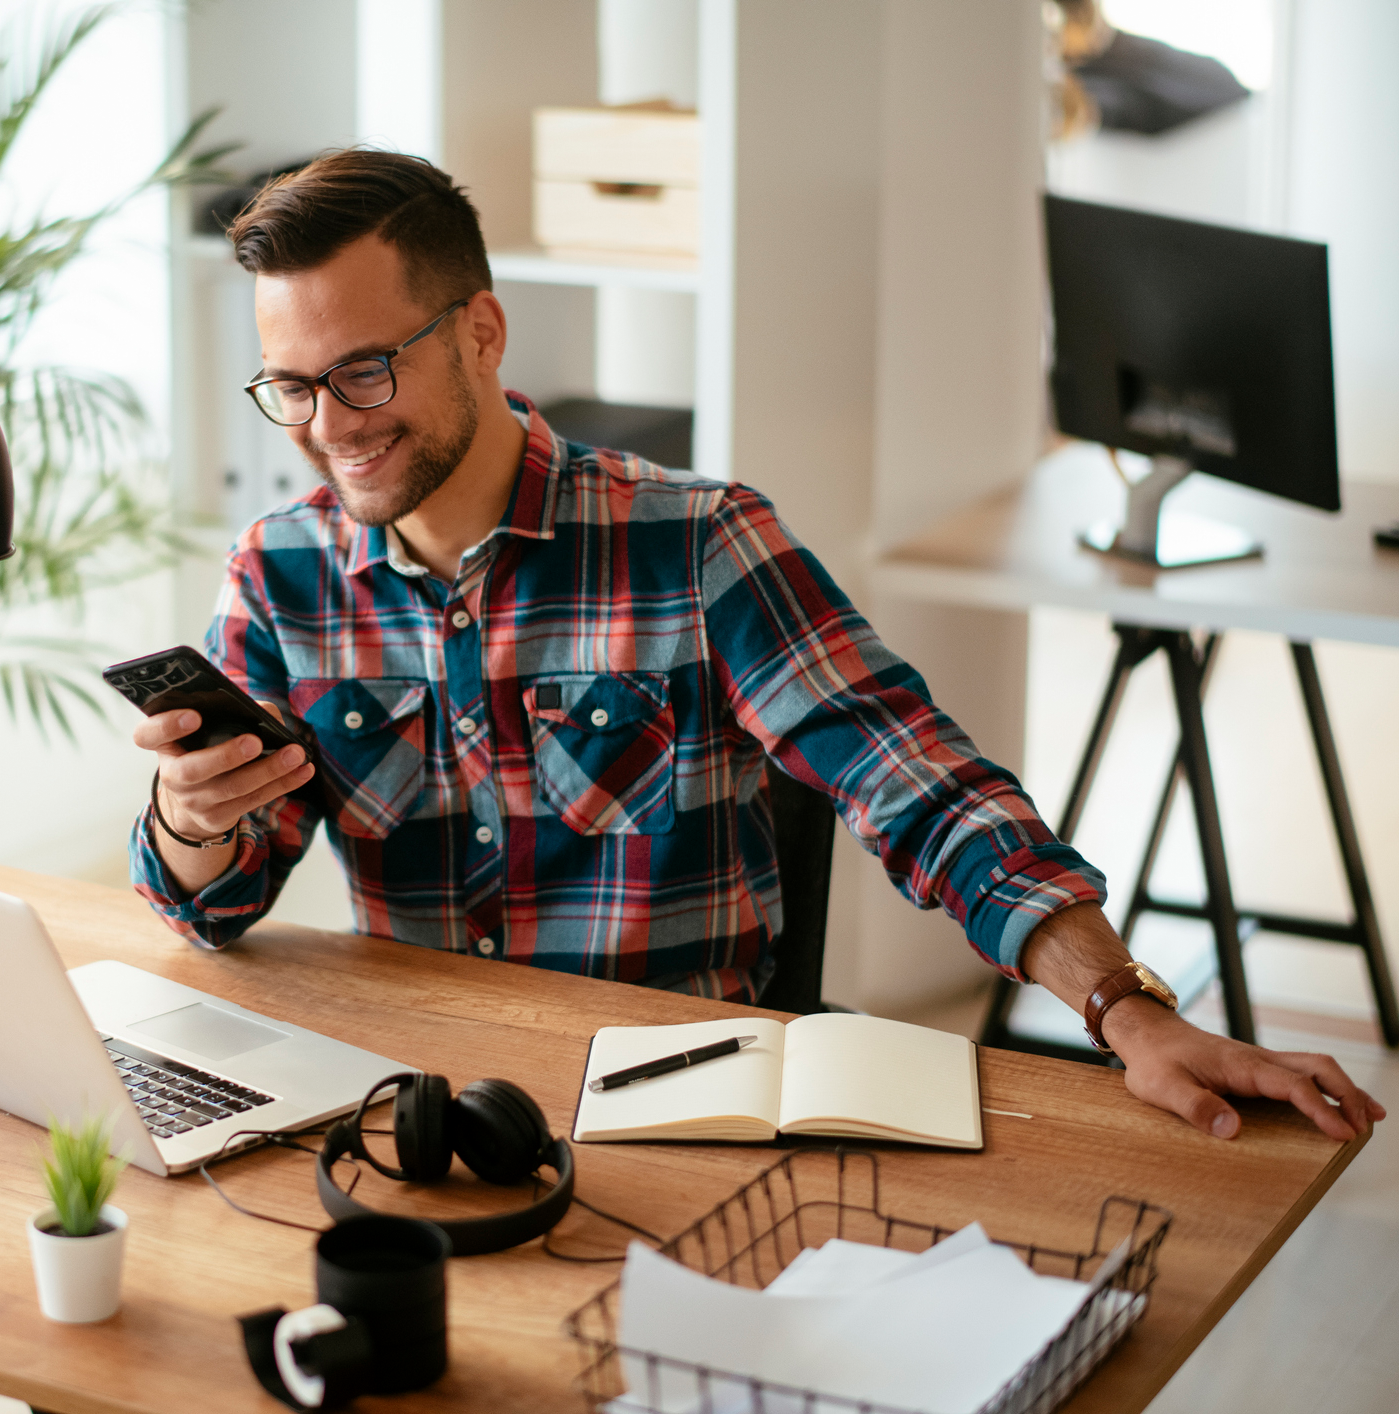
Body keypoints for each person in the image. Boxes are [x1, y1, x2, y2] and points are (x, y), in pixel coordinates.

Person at [126, 148, 1380, 1144]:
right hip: (430, 1120)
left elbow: (923, 786)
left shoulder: (700, 541)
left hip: (677, 1115)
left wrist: (1125, 1009)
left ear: (481, 334)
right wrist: (193, 818)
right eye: (287, 385)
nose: (323, 426)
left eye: (360, 371)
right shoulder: (281, 574)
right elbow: (220, 904)